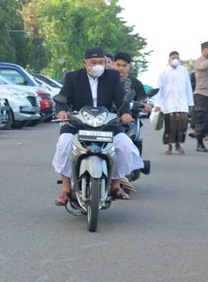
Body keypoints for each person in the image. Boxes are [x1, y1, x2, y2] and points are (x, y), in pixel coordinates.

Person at [52, 46, 144, 205]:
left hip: (106, 123)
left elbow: (121, 98)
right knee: (64, 144)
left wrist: (125, 113)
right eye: (93, 62)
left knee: (125, 146)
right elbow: (62, 97)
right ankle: (65, 190)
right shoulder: (73, 77)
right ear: (84, 63)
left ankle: (115, 185)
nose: (97, 65)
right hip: (77, 123)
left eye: (101, 62)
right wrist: (61, 111)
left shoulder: (112, 76)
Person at [153, 51, 194, 155]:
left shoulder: (184, 71)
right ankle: (169, 146)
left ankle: (178, 144)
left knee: (182, 125)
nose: (175, 59)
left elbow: (188, 87)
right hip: (168, 104)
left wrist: (190, 103)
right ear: (169, 59)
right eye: (173, 58)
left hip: (182, 103)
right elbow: (159, 89)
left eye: (177, 57)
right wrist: (157, 104)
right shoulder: (164, 72)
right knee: (170, 127)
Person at [113, 51, 148, 118]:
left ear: (129, 66)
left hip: (130, 119)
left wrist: (143, 104)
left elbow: (142, 98)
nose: (121, 68)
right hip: (107, 117)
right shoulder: (107, 81)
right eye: (118, 65)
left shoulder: (136, 83)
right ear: (113, 64)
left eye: (124, 66)